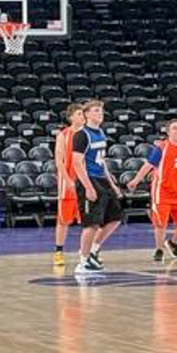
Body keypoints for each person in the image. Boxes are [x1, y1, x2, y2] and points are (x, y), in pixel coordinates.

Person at [127, 117, 177, 262]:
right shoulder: (162, 148)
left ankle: (173, 243)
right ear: (168, 132)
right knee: (160, 223)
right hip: (163, 190)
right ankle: (159, 249)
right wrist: (136, 180)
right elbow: (148, 165)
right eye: (175, 128)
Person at [71, 99, 124, 276]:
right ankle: (83, 261)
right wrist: (88, 187)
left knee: (115, 218)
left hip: (102, 180)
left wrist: (112, 184)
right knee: (91, 224)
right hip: (89, 180)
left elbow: (102, 163)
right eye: (96, 111)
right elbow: (77, 163)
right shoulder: (81, 135)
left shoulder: (100, 133)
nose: (100, 114)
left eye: (101, 111)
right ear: (86, 114)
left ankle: (94, 249)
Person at [52, 102, 84, 266]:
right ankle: (58, 251)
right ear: (71, 117)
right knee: (63, 220)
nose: (82, 116)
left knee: (90, 221)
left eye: (83, 114)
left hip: (87, 183)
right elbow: (59, 160)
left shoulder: (90, 134)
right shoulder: (64, 135)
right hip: (69, 184)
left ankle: (86, 253)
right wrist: (67, 180)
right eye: (79, 114)